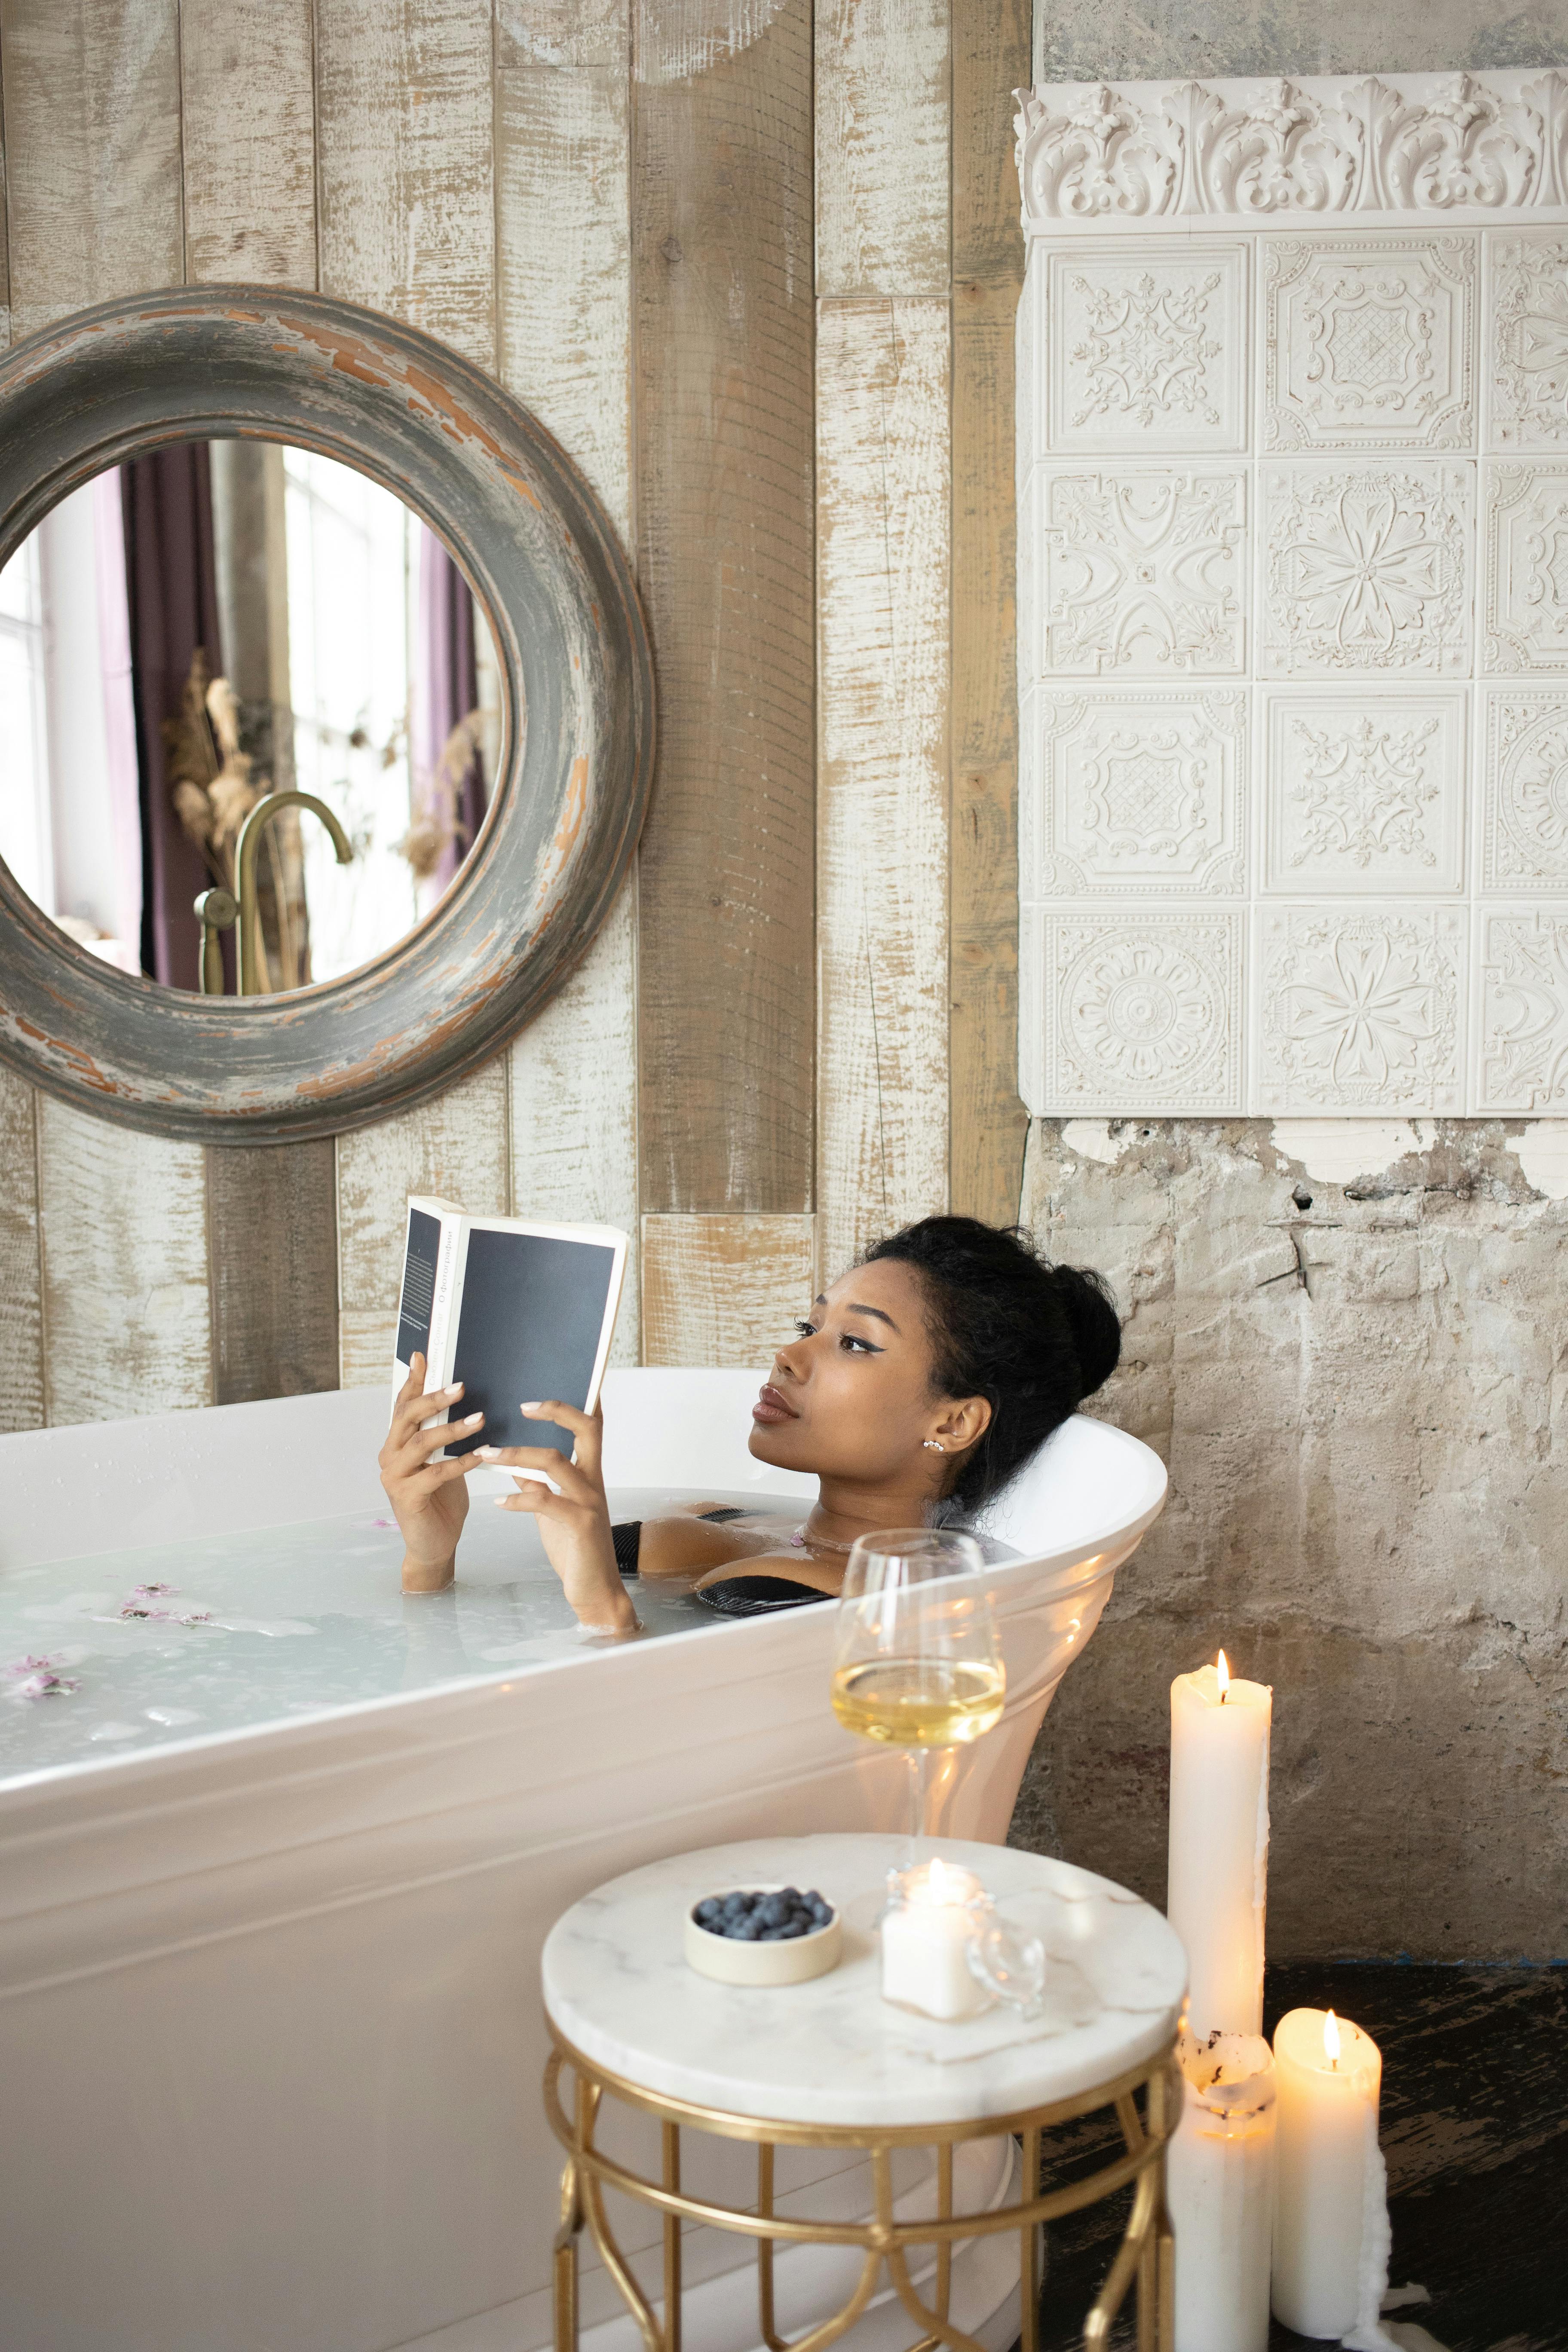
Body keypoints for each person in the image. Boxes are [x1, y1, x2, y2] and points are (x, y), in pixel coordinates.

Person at [379, 1215, 1121, 1634]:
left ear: (956, 1422)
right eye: (811, 1323)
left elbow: (672, 1758)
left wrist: (605, 1605)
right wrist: (430, 1557)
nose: (790, 1354)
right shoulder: (734, 1519)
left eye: (855, 1343)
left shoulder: (875, 1612)